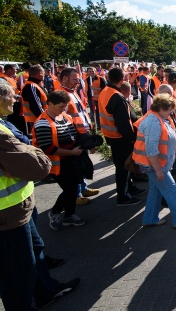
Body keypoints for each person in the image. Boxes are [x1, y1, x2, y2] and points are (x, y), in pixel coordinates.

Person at [0, 84, 81, 309]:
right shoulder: (1, 133)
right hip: (7, 216)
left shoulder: (4, 124)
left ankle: (45, 290)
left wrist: (28, 150)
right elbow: (38, 163)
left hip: (19, 206)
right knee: (17, 273)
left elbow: (29, 150)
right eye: (10, 95)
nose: (16, 98)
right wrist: (31, 151)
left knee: (35, 250)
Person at [133, 93, 176, 229]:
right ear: (161, 108)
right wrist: (158, 170)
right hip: (155, 166)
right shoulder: (153, 122)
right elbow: (151, 149)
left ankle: (150, 219)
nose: (170, 112)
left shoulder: (156, 118)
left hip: (155, 165)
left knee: (155, 191)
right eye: (169, 110)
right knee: (172, 191)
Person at [32, 91, 87, 230]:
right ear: (50, 104)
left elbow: (74, 135)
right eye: (61, 106)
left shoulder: (65, 117)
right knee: (69, 189)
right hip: (57, 164)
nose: (63, 109)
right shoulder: (43, 123)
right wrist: (72, 152)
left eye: (65, 106)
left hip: (71, 160)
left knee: (73, 188)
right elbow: (48, 148)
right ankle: (55, 212)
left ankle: (69, 215)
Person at [98, 68, 142, 206]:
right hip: (121, 138)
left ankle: (129, 188)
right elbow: (123, 123)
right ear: (122, 79)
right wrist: (132, 138)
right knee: (124, 166)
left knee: (122, 166)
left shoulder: (105, 91)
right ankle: (123, 196)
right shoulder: (117, 97)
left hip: (111, 136)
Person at [58, 68, 100, 205]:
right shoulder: (62, 95)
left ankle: (83, 188)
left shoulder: (72, 92)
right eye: (75, 79)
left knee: (82, 163)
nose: (78, 82)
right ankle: (76, 195)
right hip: (73, 137)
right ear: (65, 78)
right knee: (76, 167)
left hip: (81, 135)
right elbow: (61, 118)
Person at [21, 64, 48, 135]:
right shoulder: (31, 86)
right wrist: (44, 119)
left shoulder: (36, 84)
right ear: (40, 73)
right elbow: (35, 105)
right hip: (37, 120)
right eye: (44, 73)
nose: (44, 75)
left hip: (40, 119)